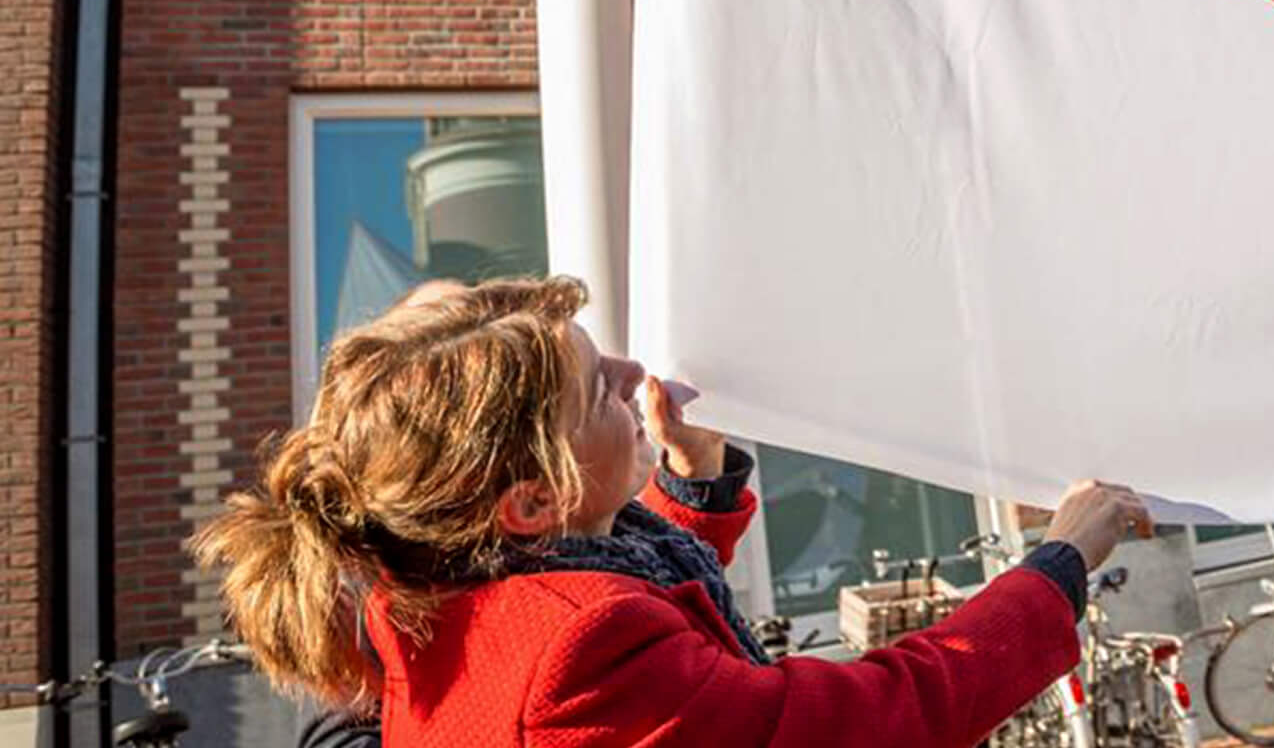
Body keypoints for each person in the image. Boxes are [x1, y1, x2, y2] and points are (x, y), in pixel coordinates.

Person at [191, 275, 1151, 746]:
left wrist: (690, 492)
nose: (632, 377)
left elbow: (637, 626)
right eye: (596, 391)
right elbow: (874, 723)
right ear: (531, 498)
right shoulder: (576, 659)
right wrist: (1055, 567)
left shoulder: (438, 593)